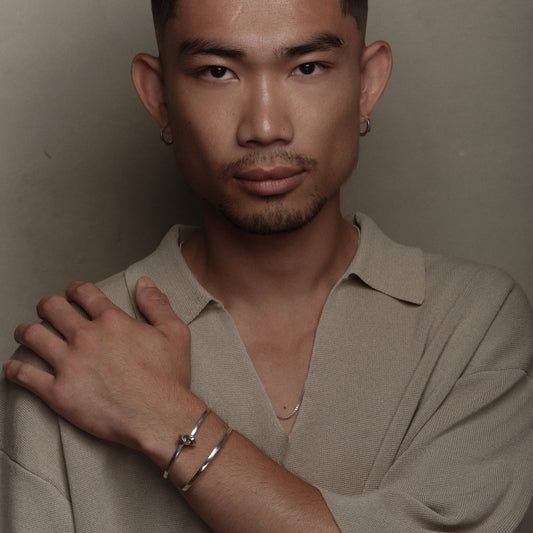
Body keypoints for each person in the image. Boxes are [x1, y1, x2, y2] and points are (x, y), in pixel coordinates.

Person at [1, 0, 532, 531]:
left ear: (366, 84)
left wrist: (165, 416)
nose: (265, 127)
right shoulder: (72, 358)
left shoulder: (476, 323)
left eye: (308, 67)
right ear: (158, 95)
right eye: (217, 72)